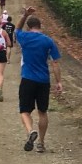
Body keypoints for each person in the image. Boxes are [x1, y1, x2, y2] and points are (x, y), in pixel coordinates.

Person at [14, 8, 62, 151]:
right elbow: (55, 63)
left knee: (25, 111)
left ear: (29, 27)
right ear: (40, 26)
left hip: (27, 79)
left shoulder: (25, 37)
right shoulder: (48, 41)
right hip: (43, 81)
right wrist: (58, 82)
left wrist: (25, 15)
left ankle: (30, 131)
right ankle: (41, 143)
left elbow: (17, 29)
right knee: (42, 112)